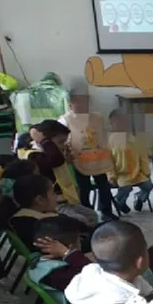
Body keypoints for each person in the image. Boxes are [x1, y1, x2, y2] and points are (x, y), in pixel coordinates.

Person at [27, 120, 98, 227]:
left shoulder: (54, 154)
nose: (62, 146)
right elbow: (56, 161)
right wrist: (44, 140)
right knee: (81, 220)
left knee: (92, 215)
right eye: (60, 142)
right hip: (53, 205)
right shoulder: (35, 156)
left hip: (66, 201)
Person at [61, 85, 117, 221]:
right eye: (78, 101)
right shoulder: (65, 119)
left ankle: (106, 212)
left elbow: (103, 135)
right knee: (84, 189)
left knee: (104, 187)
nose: (82, 104)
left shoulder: (97, 117)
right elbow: (62, 139)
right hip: (79, 160)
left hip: (98, 158)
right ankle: (88, 213)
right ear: (71, 103)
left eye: (85, 100)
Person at [27, 216, 93, 302]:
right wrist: (67, 253)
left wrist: (69, 255)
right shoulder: (56, 273)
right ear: (71, 247)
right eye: (79, 240)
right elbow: (92, 276)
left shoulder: (42, 263)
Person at [107, 109, 153, 214]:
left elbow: (143, 158)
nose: (121, 125)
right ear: (111, 123)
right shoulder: (109, 142)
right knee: (126, 188)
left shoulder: (135, 139)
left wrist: (146, 172)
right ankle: (119, 201)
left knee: (149, 186)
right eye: (117, 122)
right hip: (121, 174)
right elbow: (108, 161)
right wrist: (111, 176)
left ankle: (139, 197)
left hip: (137, 173)